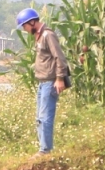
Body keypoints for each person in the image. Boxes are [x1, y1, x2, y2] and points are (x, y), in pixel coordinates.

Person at [16, 8, 69, 153]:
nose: (24, 29)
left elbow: (60, 58)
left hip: (50, 82)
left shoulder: (48, 35)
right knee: (39, 118)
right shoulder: (39, 36)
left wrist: (59, 79)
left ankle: (45, 151)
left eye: (24, 26)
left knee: (45, 117)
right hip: (43, 82)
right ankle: (43, 149)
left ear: (32, 22)